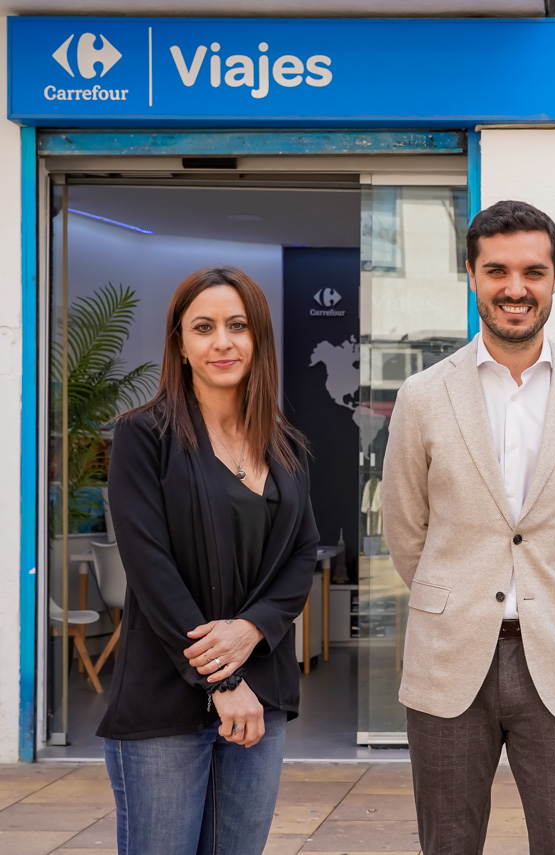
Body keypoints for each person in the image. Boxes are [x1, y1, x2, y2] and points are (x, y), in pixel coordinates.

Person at [382, 199, 555, 855]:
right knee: (449, 842)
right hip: (449, 651)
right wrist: (458, 588)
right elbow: (406, 527)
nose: (515, 288)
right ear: (473, 276)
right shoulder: (422, 396)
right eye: (497, 270)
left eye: (532, 270)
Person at [99, 266, 319, 855]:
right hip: (165, 703)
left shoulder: (285, 445)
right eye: (204, 327)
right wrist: (223, 679)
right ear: (180, 342)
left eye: (238, 325)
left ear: (259, 339)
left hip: (260, 701)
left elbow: (301, 557)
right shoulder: (144, 437)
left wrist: (252, 630)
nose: (222, 341)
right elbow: (150, 567)